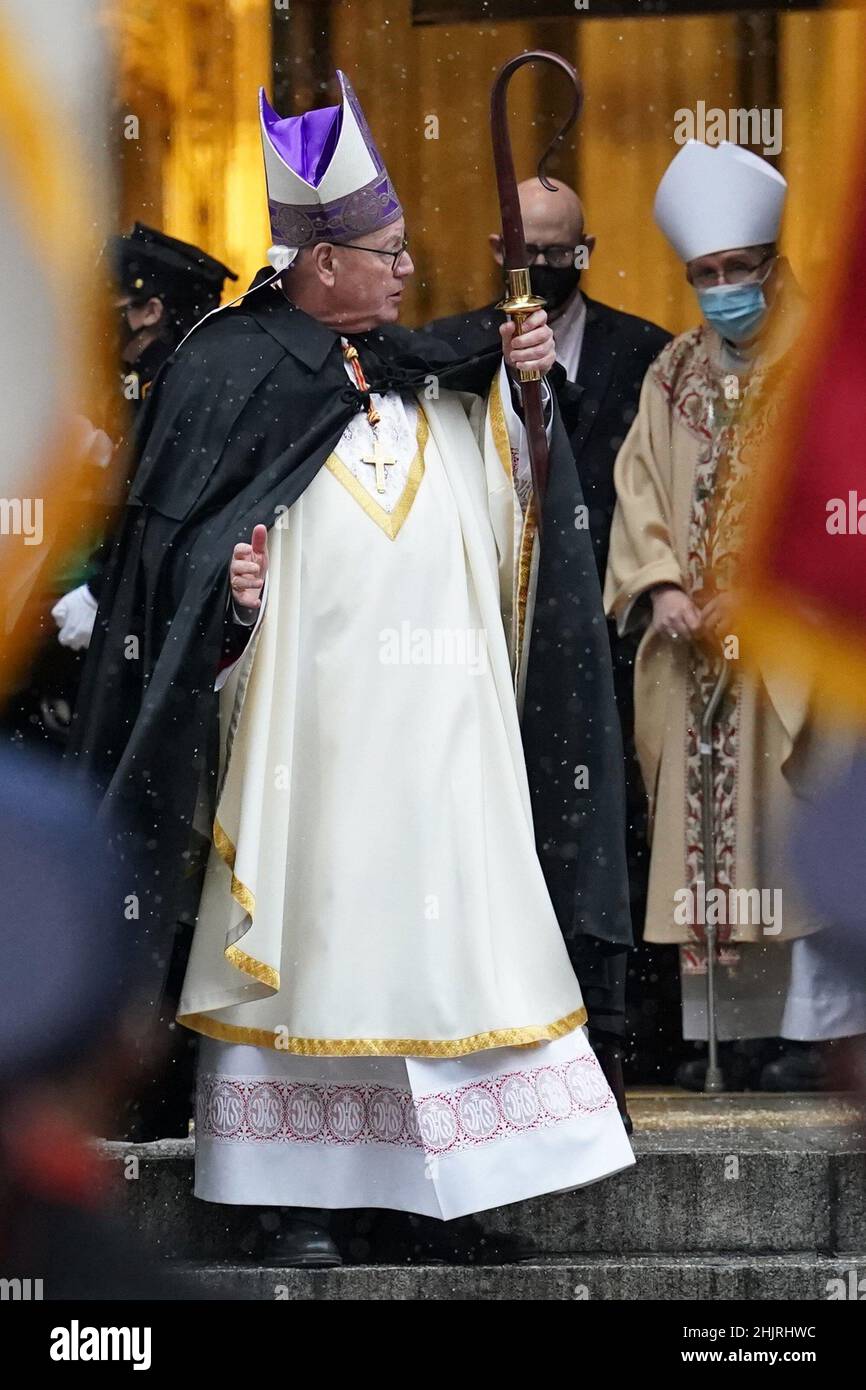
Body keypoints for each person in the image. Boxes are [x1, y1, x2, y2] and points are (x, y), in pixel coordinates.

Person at [71, 70, 634, 1264]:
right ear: (318, 260)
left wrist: (526, 391)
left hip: (446, 753)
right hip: (304, 758)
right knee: (311, 948)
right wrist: (222, 598)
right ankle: (300, 1202)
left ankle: (447, 1194)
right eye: (381, 252)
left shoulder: (432, 369)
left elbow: (524, 517)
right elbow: (169, 569)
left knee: (447, 956)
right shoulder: (225, 373)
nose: (403, 272)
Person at [604, 139, 844, 1090]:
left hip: (789, 655)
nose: (719, 290)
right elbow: (638, 486)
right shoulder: (670, 375)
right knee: (705, 838)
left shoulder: (823, 366)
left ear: (772, 268)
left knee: (787, 827)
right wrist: (662, 583)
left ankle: (802, 1037)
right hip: (694, 648)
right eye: (702, 275)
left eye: (734, 271)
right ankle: (726, 1041)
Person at [428, 178, 671, 1081]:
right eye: (525, 248)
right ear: (498, 253)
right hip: (507, 632)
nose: (543, 265)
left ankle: (625, 1034)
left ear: (588, 249)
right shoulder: (457, 354)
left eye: (560, 248)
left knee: (618, 835)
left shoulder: (643, 352)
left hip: (613, 624)